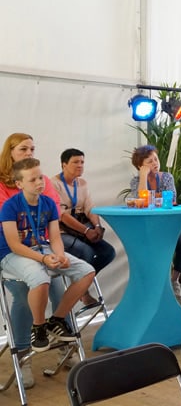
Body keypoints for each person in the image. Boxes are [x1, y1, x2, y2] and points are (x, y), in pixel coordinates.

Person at [0, 158, 95, 353]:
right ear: (19, 184)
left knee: (87, 271)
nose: (39, 183)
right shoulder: (10, 206)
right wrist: (43, 259)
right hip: (11, 254)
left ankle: (57, 319)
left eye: (40, 178)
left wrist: (60, 255)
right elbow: (14, 245)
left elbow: (55, 237)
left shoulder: (49, 203)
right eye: (32, 180)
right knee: (41, 278)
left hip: (41, 248)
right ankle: (39, 327)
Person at [0, 133, 66, 388]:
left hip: (40, 246)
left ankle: (63, 344)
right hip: (11, 250)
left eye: (32, 149)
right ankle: (23, 358)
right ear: (10, 153)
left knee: (58, 285)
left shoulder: (41, 179)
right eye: (23, 149)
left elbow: (51, 210)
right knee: (22, 294)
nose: (29, 153)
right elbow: (10, 225)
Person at [52, 148, 114, 304]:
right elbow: (62, 215)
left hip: (82, 228)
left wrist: (97, 226)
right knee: (87, 252)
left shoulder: (82, 183)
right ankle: (83, 291)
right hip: (62, 231)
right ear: (64, 165)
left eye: (82, 162)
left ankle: (80, 285)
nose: (80, 165)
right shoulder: (54, 184)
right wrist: (86, 231)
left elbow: (89, 207)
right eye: (75, 162)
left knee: (108, 252)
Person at [130, 145, 181, 305]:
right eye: (149, 162)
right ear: (140, 166)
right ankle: (154, 287)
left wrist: (151, 198)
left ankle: (174, 279)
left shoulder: (167, 177)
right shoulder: (136, 181)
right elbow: (140, 200)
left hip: (170, 222)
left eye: (155, 159)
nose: (155, 163)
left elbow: (172, 198)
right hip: (148, 225)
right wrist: (144, 177)